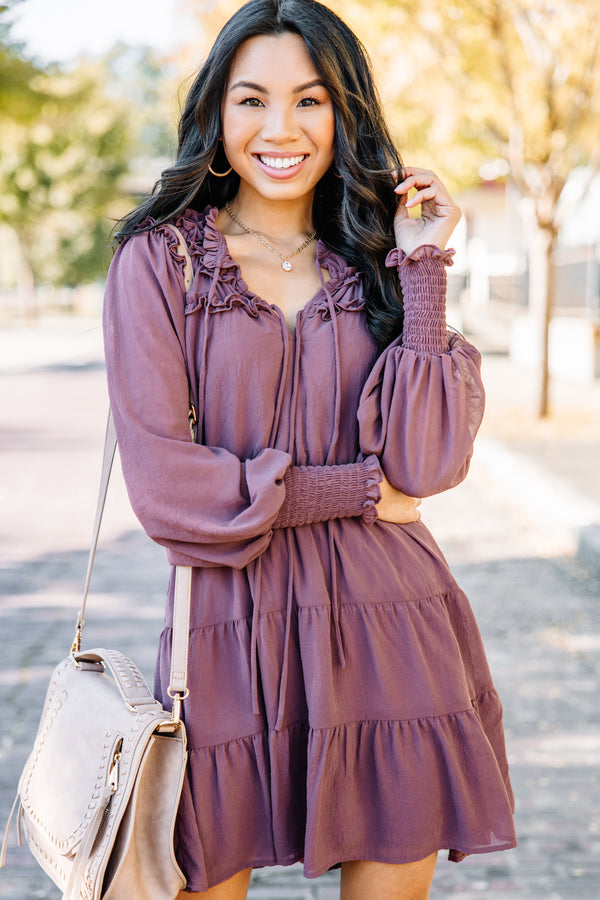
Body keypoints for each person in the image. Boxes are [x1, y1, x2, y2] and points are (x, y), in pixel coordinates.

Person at [103, 1, 517, 897]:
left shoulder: (377, 259)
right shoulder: (161, 261)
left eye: (312, 101)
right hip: (227, 635)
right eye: (252, 100)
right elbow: (168, 489)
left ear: (345, 114)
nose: (280, 129)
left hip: (390, 624)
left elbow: (427, 465)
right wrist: (358, 492)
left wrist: (422, 269)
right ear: (216, 111)